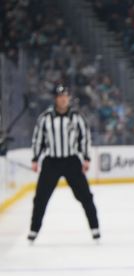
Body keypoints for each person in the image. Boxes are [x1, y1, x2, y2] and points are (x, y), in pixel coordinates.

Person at [28, 84, 99, 242]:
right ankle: (34, 230)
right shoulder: (45, 117)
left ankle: (95, 228)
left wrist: (86, 158)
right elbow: (37, 139)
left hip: (71, 161)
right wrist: (35, 159)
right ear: (55, 98)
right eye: (60, 96)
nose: (63, 99)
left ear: (68, 98)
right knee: (40, 198)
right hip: (51, 162)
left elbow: (84, 138)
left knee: (86, 196)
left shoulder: (77, 117)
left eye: (65, 96)